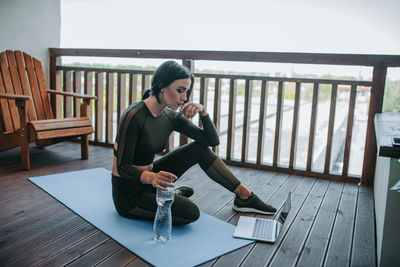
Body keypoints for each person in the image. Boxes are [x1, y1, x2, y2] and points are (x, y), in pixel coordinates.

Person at [111, 61, 276, 225]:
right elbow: (122, 167)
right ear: (162, 85)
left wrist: (203, 112)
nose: (184, 98)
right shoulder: (133, 116)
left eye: (187, 92)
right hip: (129, 195)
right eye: (180, 90)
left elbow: (211, 141)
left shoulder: (170, 116)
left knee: (199, 149)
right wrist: (151, 177)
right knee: (191, 212)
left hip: (153, 181)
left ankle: (245, 196)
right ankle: (169, 195)